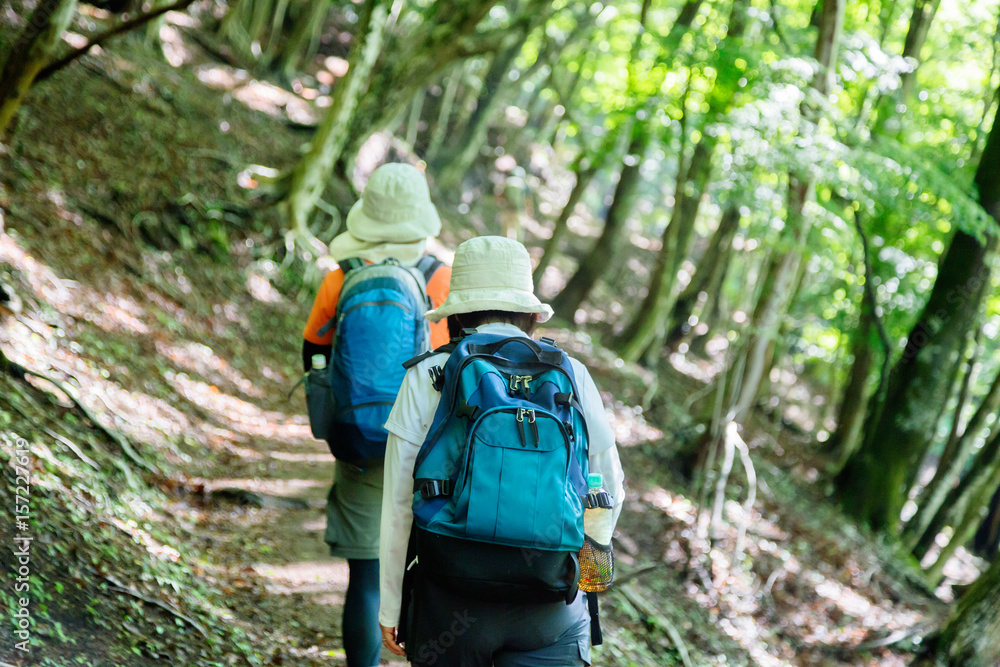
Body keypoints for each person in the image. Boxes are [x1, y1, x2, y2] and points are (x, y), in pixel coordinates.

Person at [378, 236, 625, 667]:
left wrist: (389, 606)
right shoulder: (572, 374)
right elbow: (610, 492)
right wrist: (585, 577)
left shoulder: (427, 375)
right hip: (551, 604)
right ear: (531, 314)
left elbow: (399, 502)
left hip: (449, 603)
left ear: (456, 315)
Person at [302, 162, 451, 667]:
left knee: (366, 579)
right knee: (430, 577)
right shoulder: (443, 280)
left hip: (363, 438)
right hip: (430, 449)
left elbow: (314, 356)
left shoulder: (341, 277)